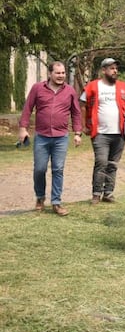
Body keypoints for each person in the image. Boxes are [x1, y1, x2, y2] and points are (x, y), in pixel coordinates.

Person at [18, 61, 82, 216]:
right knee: (39, 169)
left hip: (61, 137)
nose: (61, 76)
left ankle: (56, 202)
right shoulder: (38, 88)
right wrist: (22, 128)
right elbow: (28, 108)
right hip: (42, 136)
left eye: (63, 73)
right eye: (57, 73)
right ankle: (40, 197)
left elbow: (76, 113)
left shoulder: (70, 91)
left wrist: (78, 133)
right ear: (50, 74)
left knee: (58, 169)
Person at [81, 57, 125, 204]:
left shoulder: (124, 86)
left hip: (119, 132)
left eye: (116, 68)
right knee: (101, 162)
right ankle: (96, 193)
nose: (115, 71)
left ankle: (108, 193)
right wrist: (83, 125)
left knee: (113, 164)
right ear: (103, 70)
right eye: (111, 68)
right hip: (100, 133)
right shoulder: (92, 86)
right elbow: (83, 105)